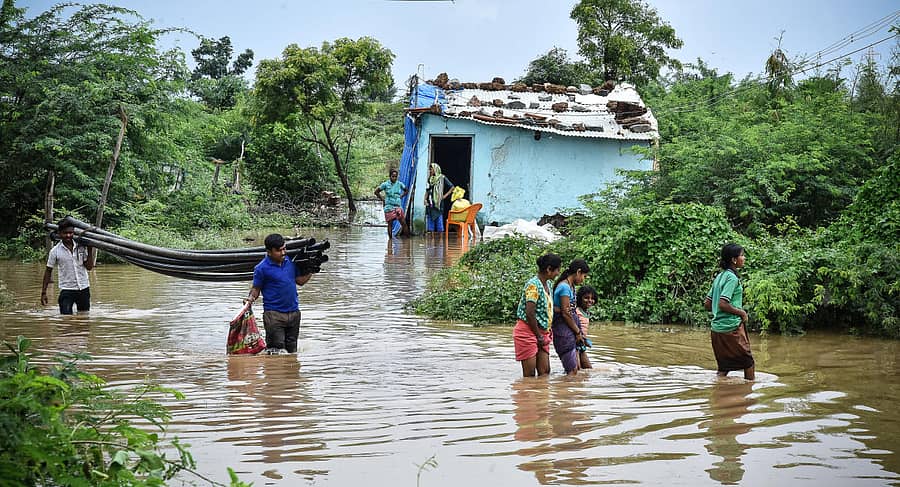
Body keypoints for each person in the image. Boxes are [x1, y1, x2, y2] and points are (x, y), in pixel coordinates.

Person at [246, 233, 313, 355]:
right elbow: (256, 289)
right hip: (274, 316)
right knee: (276, 352)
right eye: (279, 250)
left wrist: (312, 270)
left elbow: (300, 282)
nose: (283, 253)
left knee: (292, 352)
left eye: (284, 249)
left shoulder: (290, 262)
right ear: (269, 252)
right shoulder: (261, 268)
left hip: (294, 313)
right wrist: (250, 300)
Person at [704, 243, 755, 380]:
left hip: (716, 330)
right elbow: (723, 304)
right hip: (731, 328)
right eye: (742, 255)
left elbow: (708, 304)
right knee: (748, 363)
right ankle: (748, 397)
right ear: (734, 259)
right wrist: (742, 313)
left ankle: (718, 392)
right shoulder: (732, 278)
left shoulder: (719, 277)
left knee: (724, 368)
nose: (744, 258)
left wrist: (719, 313)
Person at [513, 253, 561, 377]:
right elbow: (530, 313)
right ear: (549, 269)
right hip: (527, 332)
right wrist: (538, 335)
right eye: (557, 270)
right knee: (529, 376)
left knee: (545, 373)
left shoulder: (548, 285)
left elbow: (547, 308)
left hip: (542, 333)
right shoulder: (533, 285)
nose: (558, 273)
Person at [41, 218, 96, 314]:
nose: (68, 235)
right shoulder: (55, 251)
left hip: (83, 288)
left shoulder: (81, 247)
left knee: (84, 318)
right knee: (65, 319)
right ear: (59, 233)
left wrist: (90, 249)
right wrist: (44, 293)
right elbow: (48, 271)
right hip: (67, 290)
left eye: (70, 233)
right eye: (65, 233)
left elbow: (89, 267)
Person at [551, 259, 590, 375]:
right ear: (578, 272)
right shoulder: (564, 287)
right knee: (572, 372)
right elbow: (565, 312)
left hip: (569, 329)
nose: (583, 280)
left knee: (575, 371)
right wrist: (578, 332)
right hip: (564, 331)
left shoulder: (570, 286)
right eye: (584, 276)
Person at [374, 168, 410, 238]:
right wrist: (383, 199)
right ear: (390, 176)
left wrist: (401, 196)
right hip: (389, 207)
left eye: (396, 176)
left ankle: (408, 242)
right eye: (393, 176)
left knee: (404, 223)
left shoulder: (399, 184)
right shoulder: (385, 184)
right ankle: (390, 242)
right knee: (390, 224)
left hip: (398, 206)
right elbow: (376, 192)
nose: (394, 178)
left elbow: (406, 190)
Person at [424, 163, 454, 233]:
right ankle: (431, 241)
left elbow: (452, 187)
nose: (430, 171)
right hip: (430, 202)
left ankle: (440, 241)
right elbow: (427, 190)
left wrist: (444, 196)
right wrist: (425, 199)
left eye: (431, 169)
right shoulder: (430, 179)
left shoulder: (442, 178)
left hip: (439, 202)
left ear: (435, 169)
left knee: (439, 221)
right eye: (430, 169)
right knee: (430, 220)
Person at [575, 285, 598, 370]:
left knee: (588, 368)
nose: (590, 301)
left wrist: (585, 340)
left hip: (581, 343)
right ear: (580, 298)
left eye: (592, 298)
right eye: (586, 298)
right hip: (574, 343)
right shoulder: (576, 312)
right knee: (575, 369)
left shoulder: (586, 313)